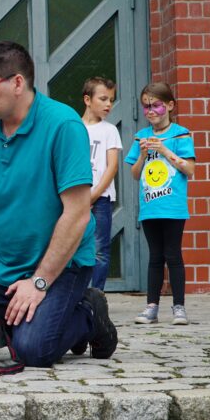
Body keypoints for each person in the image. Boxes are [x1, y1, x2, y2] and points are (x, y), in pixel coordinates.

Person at [0, 41, 117, 366]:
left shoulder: (62, 125)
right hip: (5, 263)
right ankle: (27, 318)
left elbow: (77, 215)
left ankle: (89, 313)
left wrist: (39, 283)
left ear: (17, 83)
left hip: (64, 264)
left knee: (32, 349)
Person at [124, 82, 195, 325]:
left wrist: (164, 149)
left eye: (156, 105)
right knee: (155, 257)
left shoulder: (181, 134)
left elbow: (190, 169)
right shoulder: (141, 136)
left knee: (173, 255)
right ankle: (151, 307)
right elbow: (134, 173)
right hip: (150, 207)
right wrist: (143, 154)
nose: (151, 111)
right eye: (146, 106)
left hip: (173, 207)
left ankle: (179, 307)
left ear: (170, 106)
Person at [81, 77, 122, 290]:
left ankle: (96, 296)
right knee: (73, 248)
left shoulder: (109, 130)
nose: (108, 104)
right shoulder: (74, 128)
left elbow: (111, 167)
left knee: (99, 249)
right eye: (103, 98)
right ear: (87, 99)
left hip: (100, 200)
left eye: (112, 100)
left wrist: (93, 196)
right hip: (74, 199)